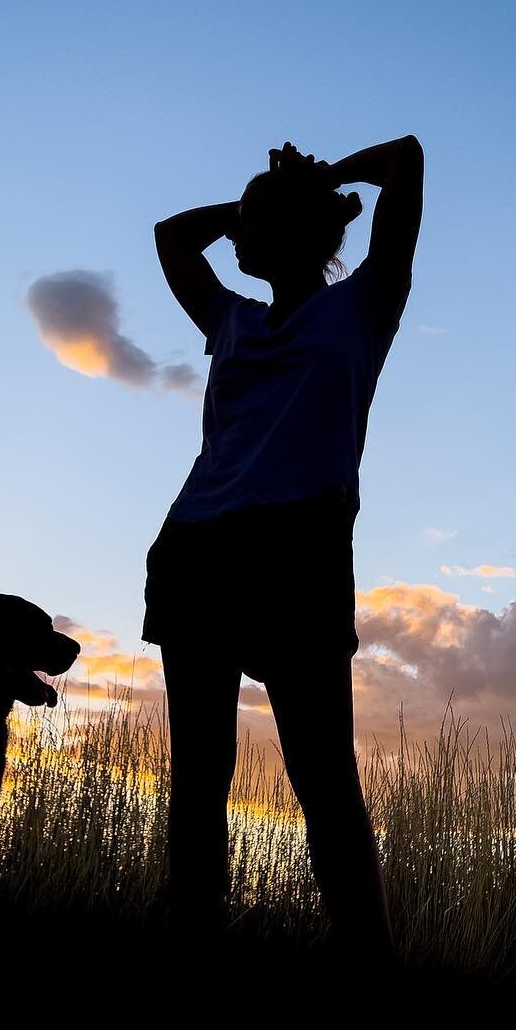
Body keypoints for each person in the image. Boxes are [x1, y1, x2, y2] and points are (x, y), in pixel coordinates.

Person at [147, 135, 425, 965]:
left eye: (255, 221)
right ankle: (193, 947)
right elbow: (171, 236)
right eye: (239, 222)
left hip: (301, 545)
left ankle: (370, 969)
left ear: (304, 228)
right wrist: (260, 202)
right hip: (197, 545)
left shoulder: (367, 302)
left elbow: (406, 160)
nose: (235, 238)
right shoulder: (230, 317)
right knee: (199, 780)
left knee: (325, 782)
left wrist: (316, 184)